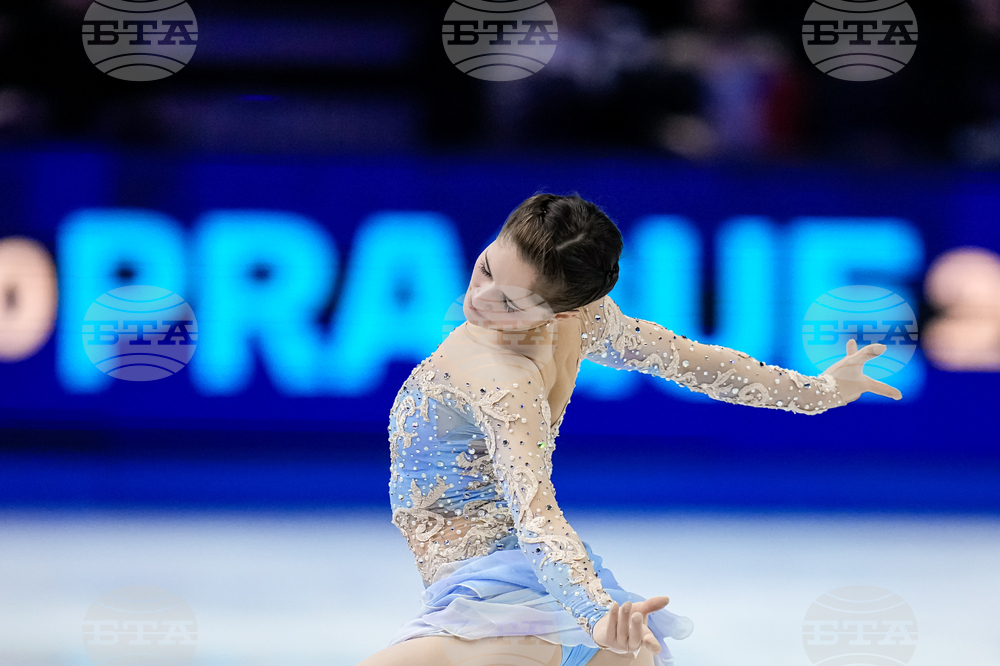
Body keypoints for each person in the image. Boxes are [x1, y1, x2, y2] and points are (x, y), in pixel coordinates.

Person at [360, 193, 901, 666]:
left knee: (620, 651)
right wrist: (595, 613)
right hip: (512, 577)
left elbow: (693, 364)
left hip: (509, 582)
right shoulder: (518, 359)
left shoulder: (547, 348)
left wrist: (819, 392)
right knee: (615, 651)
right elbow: (536, 513)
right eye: (485, 268)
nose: (477, 300)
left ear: (560, 311)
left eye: (508, 301)